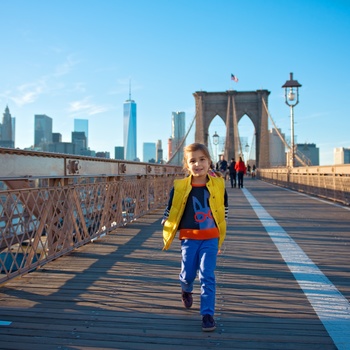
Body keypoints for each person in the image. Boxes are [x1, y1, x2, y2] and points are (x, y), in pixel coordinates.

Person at [161, 143, 228, 332]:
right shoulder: (180, 186)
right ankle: (186, 287)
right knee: (188, 273)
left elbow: (224, 208)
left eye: (202, 159)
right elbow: (172, 207)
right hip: (189, 238)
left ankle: (207, 314)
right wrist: (166, 220)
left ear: (209, 162)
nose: (198, 164)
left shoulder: (218, 185)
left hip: (211, 237)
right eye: (192, 161)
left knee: (207, 275)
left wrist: (221, 233)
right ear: (186, 165)